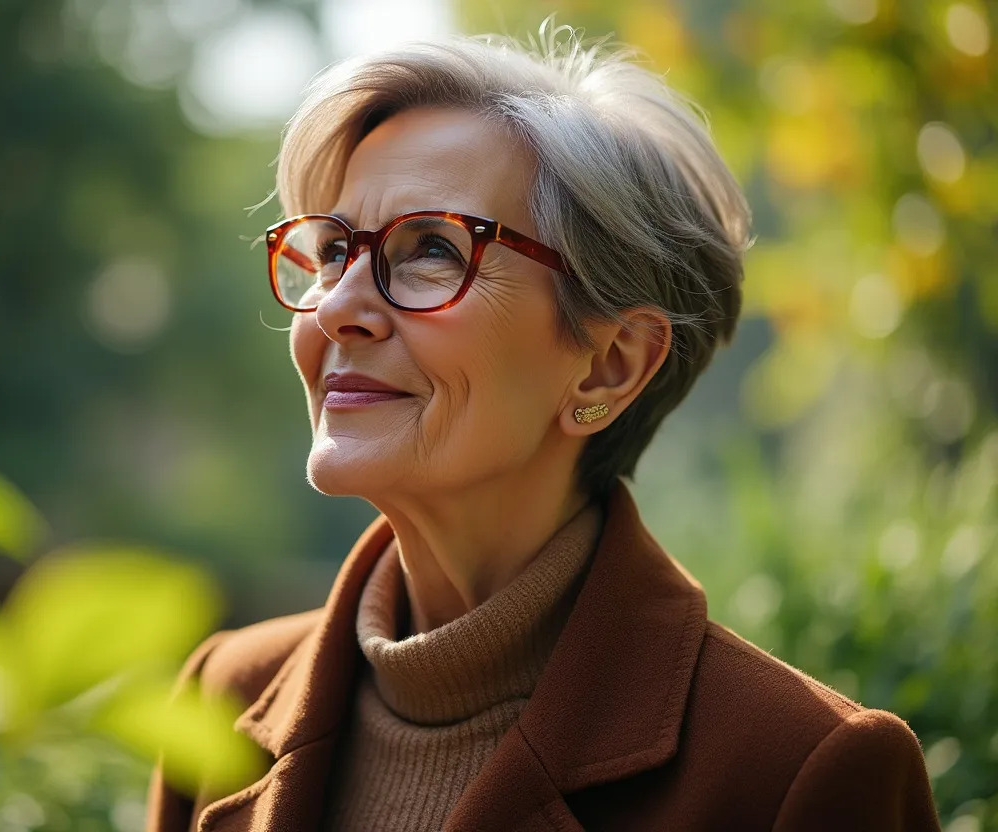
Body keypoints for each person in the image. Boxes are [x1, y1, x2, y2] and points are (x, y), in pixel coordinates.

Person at [146, 24, 940, 832]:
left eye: (430, 250)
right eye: (331, 251)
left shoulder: (798, 771)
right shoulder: (223, 696)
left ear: (609, 366)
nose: (340, 307)